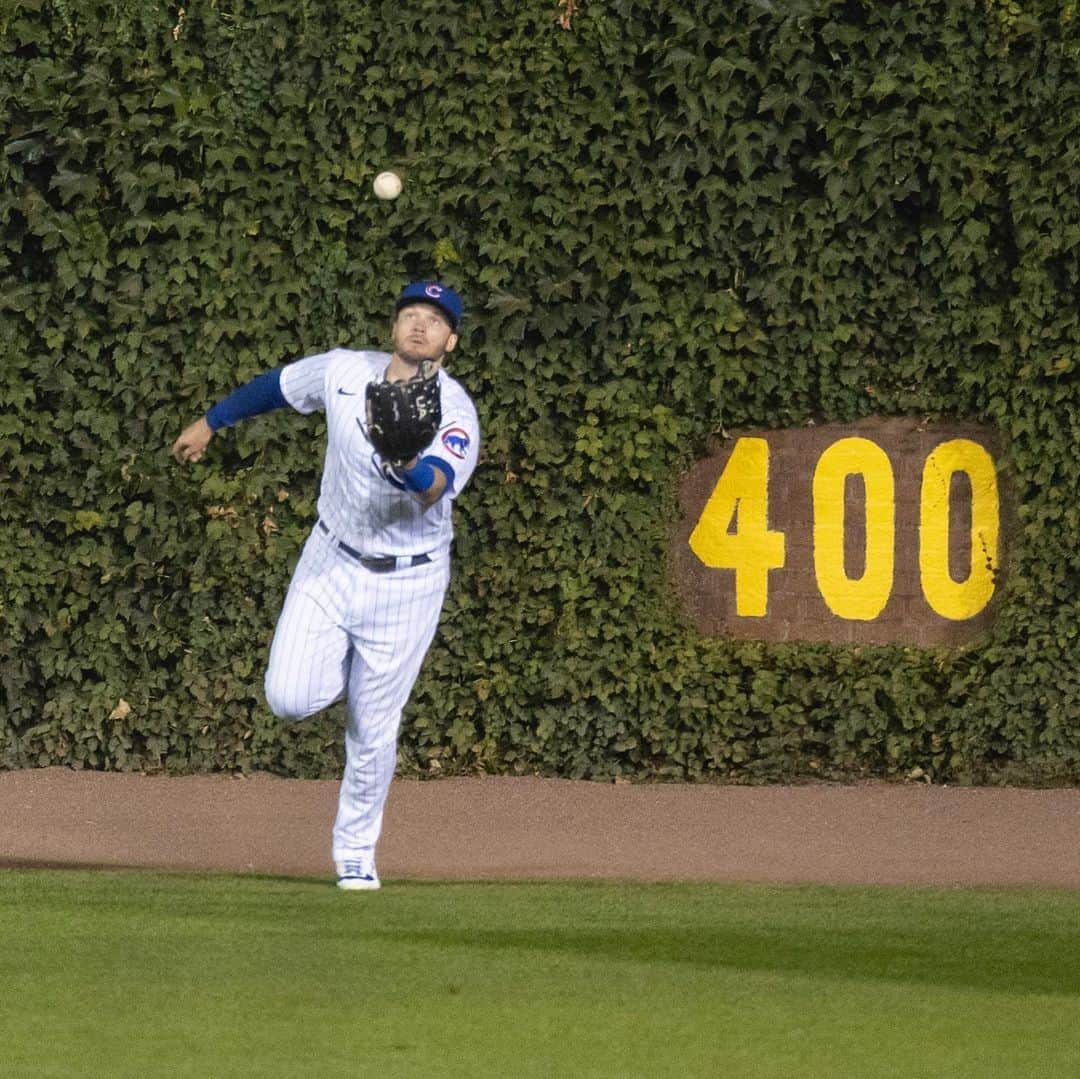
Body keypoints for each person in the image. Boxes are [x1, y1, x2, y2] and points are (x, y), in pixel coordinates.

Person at [172, 281, 480, 890]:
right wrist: (212, 421)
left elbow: (437, 486)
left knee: (373, 728)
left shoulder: (456, 410)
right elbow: (277, 387)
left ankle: (356, 854)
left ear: (451, 340)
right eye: (410, 315)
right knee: (288, 698)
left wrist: (403, 464)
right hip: (331, 560)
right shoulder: (342, 371)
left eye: (434, 320)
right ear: (394, 328)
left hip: (407, 582)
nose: (420, 325)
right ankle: (350, 672)